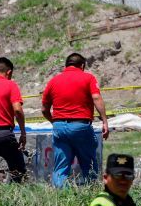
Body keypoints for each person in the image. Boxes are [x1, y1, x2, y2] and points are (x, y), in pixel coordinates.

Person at [41, 53, 109, 187]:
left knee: (60, 168)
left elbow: (44, 109)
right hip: (81, 126)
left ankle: (61, 199)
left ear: (65, 66)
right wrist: (105, 121)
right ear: (82, 66)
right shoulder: (88, 78)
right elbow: (96, 98)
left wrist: (55, 122)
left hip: (59, 127)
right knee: (88, 165)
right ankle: (90, 194)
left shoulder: (53, 81)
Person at [0, 57, 26, 182]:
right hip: (4, 134)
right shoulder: (10, 85)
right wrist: (23, 132)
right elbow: (17, 110)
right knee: (18, 171)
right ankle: (16, 198)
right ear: (9, 72)